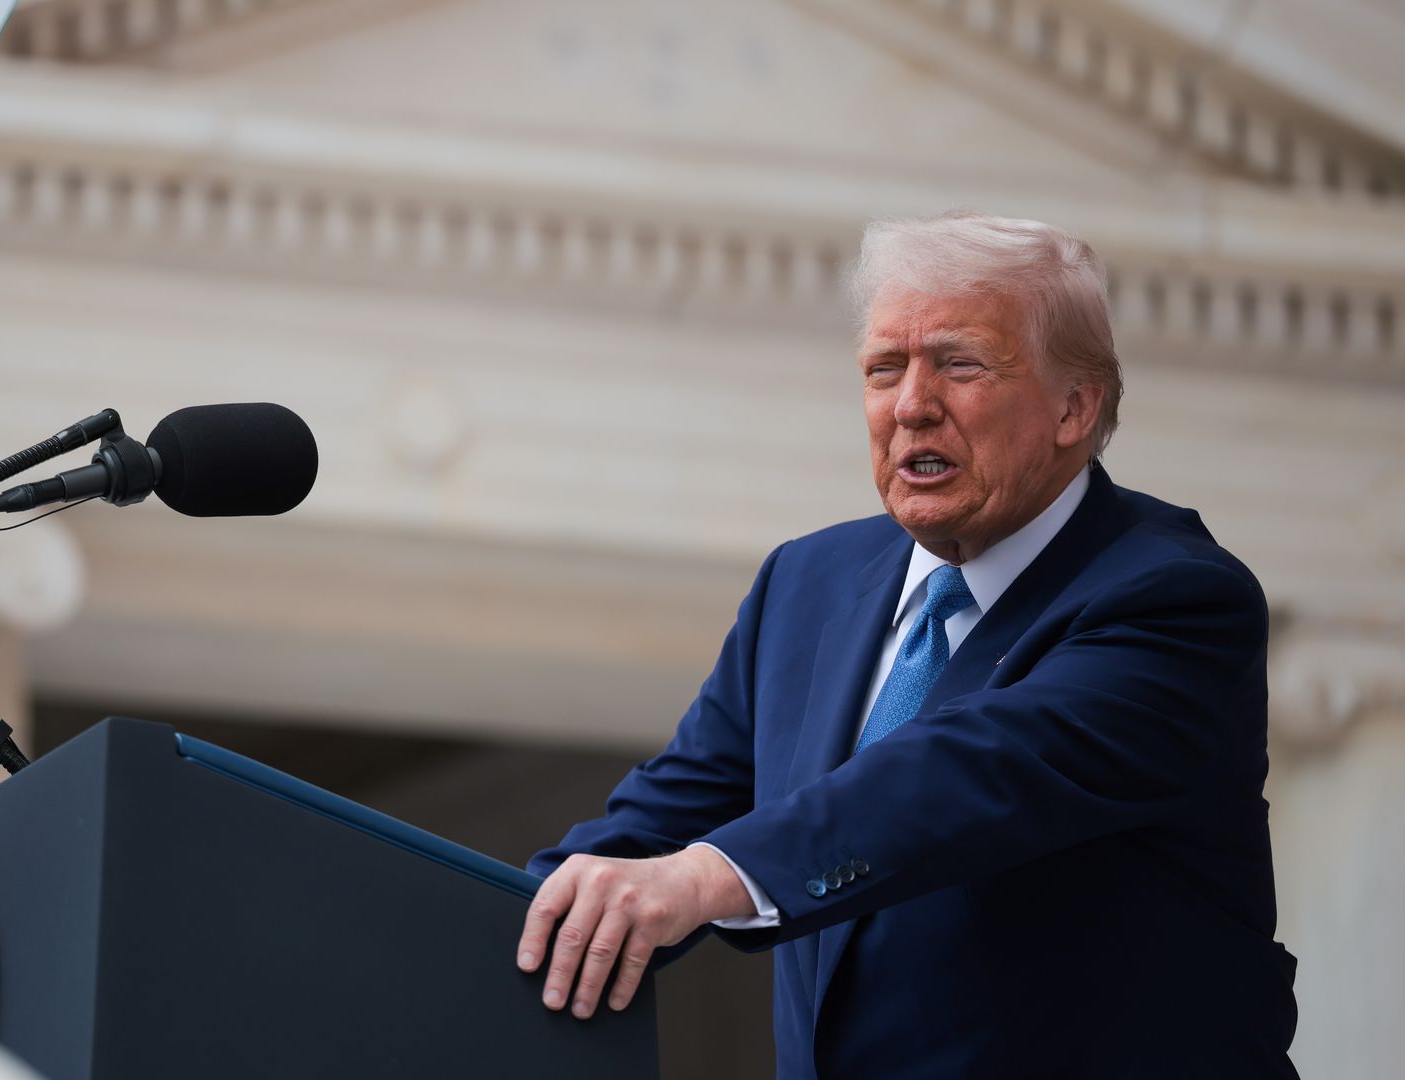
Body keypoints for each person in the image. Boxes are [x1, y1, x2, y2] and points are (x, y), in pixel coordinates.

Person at [517, 212, 1299, 1078]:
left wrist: (704, 879)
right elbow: (662, 820)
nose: (912, 406)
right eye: (884, 369)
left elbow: (966, 773)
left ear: (1076, 406)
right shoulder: (806, 584)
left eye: (959, 365)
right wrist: (478, 920)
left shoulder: (1175, 598)